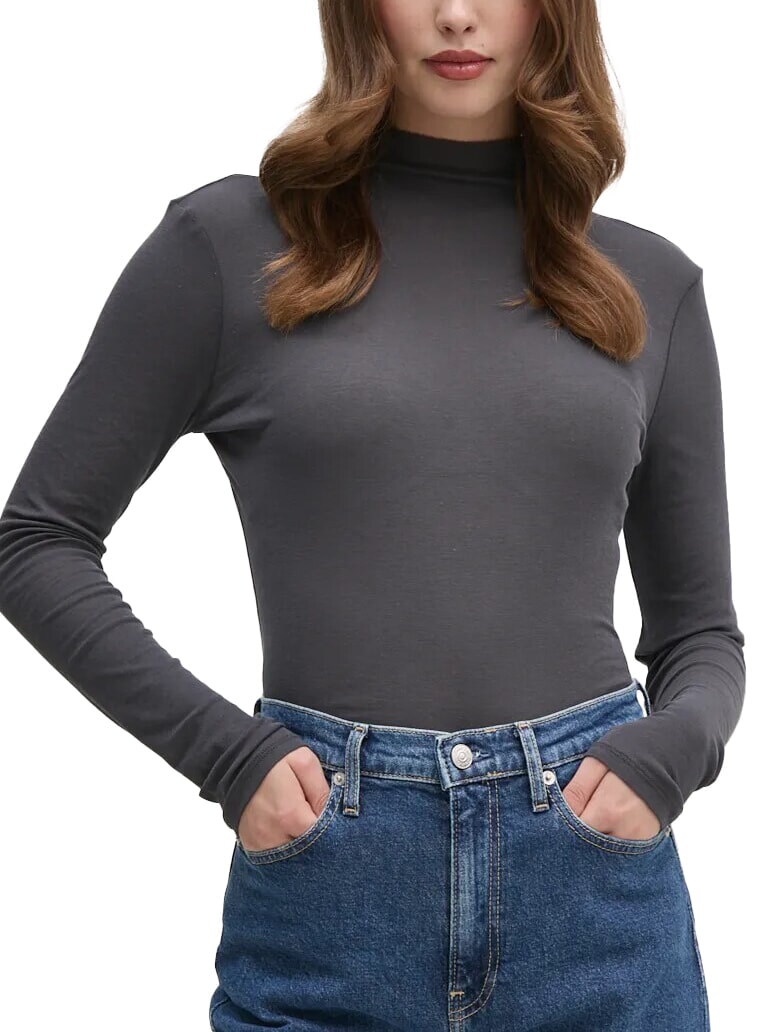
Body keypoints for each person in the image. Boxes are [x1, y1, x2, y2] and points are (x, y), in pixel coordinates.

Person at [0, 1, 743, 1029]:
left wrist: (669, 756)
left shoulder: (649, 284)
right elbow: (38, 540)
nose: (456, 14)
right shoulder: (229, 247)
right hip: (330, 883)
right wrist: (228, 756)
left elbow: (701, 633)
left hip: (597, 887)